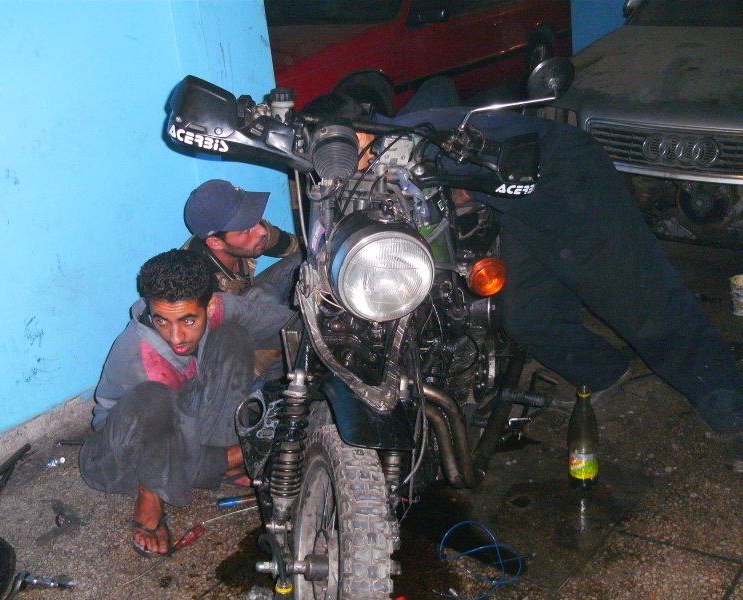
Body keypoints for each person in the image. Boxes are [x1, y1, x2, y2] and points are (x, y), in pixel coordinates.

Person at [300, 88, 743, 440]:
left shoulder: (413, 138)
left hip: (569, 178)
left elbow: (458, 167)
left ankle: (722, 396)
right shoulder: (374, 160)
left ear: (359, 132)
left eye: (336, 144)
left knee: (640, 299)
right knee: (527, 315)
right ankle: (603, 372)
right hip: (517, 202)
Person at [79, 249, 296, 556]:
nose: (176, 336)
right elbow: (177, 452)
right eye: (161, 321)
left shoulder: (219, 308)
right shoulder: (140, 358)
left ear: (210, 305)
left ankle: (227, 461)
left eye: (188, 320)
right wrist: (256, 447)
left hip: (187, 417)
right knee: (152, 399)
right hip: (123, 455)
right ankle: (152, 498)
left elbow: (287, 327)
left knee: (232, 337)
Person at [182, 179, 301, 305]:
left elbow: (295, 246)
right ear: (215, 243)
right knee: (263, 295)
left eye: (253, 219)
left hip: (245, 294)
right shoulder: (195, 284)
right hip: (225, 313)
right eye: (245, 229)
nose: (262, 231)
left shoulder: (255, 231)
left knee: (301, 259)